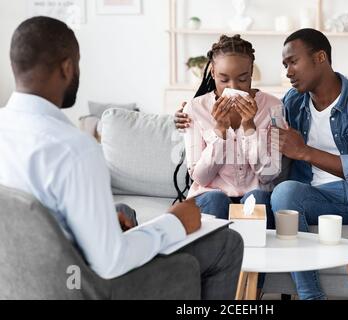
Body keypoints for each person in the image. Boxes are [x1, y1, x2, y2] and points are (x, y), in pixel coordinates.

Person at [0, 16, 243, 300]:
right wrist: (174, 223)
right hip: (83, 287)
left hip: (25, 280)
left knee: (124, 211)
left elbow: (33, 220)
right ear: (67, 67)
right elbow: (110, 261)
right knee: (226, 243)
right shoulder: (74, 150)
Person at [176, 29, 348, 300]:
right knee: (284, 193)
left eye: (293, 62)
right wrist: (189, 116)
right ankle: (311, 295)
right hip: (317, 196)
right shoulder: (291, 102)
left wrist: (304, 152)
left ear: (320, 57)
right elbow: (254, 116)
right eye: (284, 66)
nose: (288, 72)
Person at [181, 35, 282, 225]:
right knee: (215, 199)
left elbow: (269, 174)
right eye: (224, 79)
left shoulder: (274, 107)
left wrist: (249, 127)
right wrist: (220, 131)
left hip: (255, 194)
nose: (233, 87)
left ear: (252, 72)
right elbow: (201, 177)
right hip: (210, 196)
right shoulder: (195, 109)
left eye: (242, 79)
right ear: (212, 72)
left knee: (258, 198)